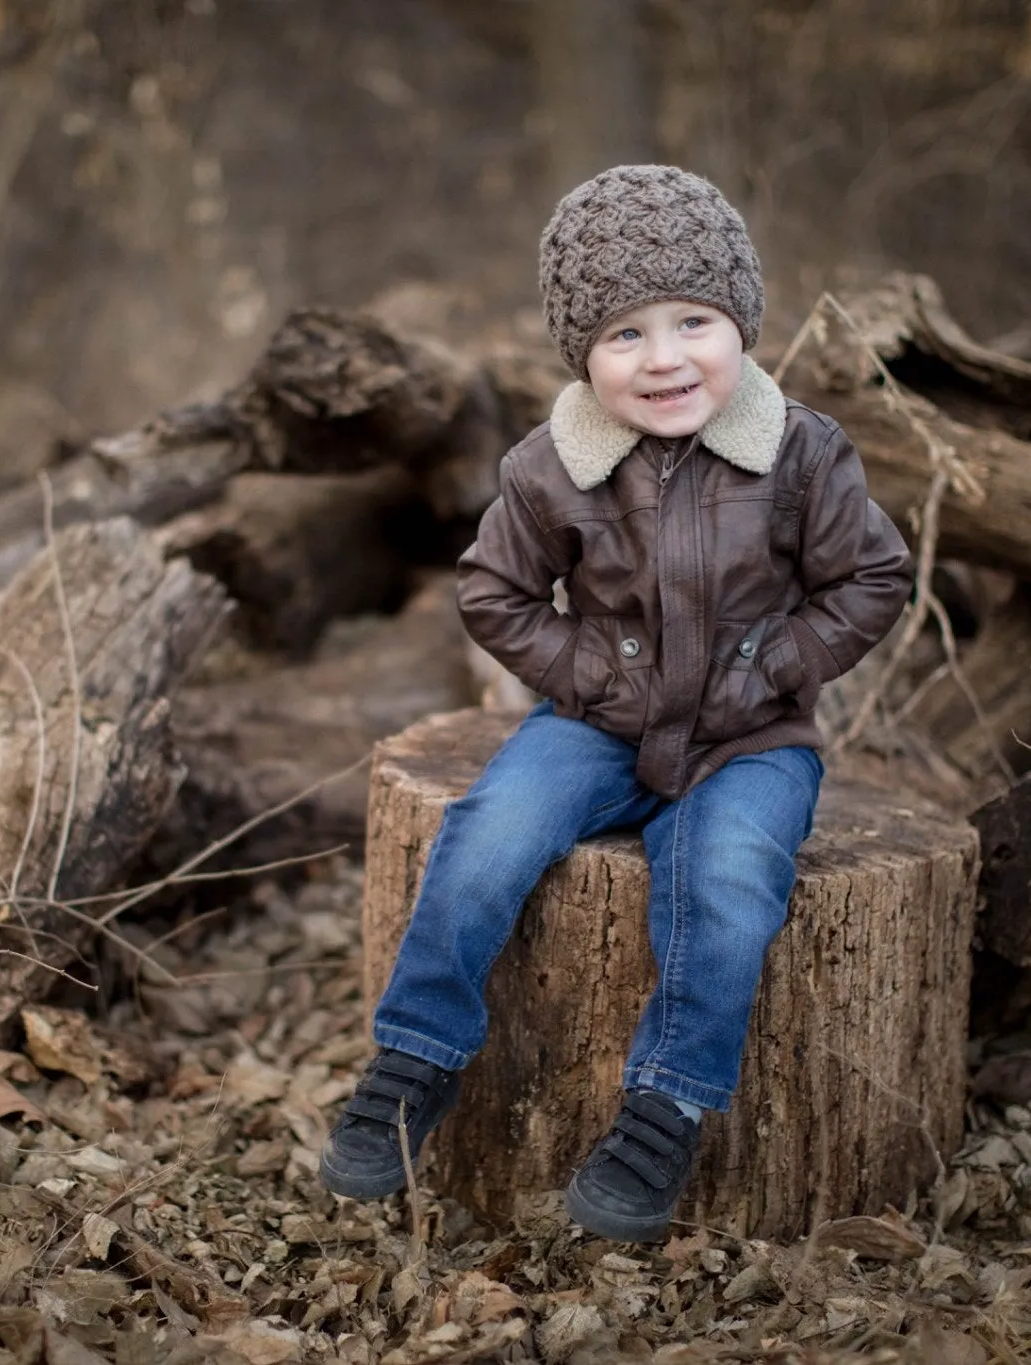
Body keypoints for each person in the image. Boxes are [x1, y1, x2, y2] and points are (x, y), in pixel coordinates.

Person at [319, 165, 913, 1243]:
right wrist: (590, 676)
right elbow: (492, 590)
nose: (664, 357)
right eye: (623, 335)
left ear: (739, 322)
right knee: (489, 833)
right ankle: (416, 1056)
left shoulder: (799, 454)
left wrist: (776, 664)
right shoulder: (554, 467)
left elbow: (868, 580)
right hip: (593, 726)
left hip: (751, 739)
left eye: (692, 320)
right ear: (580, 356)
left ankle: (665, 1103)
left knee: (726, 880)